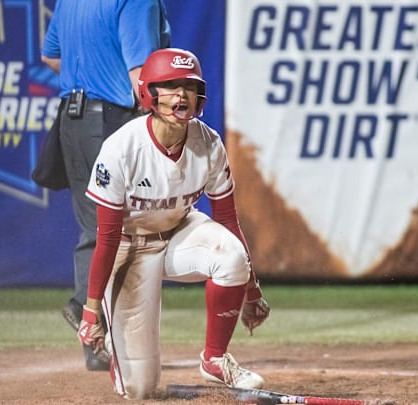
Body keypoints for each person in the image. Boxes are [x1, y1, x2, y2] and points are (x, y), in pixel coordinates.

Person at [76, 48, 271, 399]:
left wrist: (251, 290)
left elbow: (227, 220)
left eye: (188, 86)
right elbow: (105, 237)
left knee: (230, 255)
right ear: (147, 93)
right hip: (129, 247)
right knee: (139, 388)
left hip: (181, 233)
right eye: (169, 86)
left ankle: (214, 359)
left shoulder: (209, 142)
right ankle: (121, 350)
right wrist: (91, 312)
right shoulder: (121, 149)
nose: (181, 94)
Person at [40, 0, 171, 371]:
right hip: (112, 119)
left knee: (92, 229)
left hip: (72, 118)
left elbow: (51, 57)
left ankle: (96, 346)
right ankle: (90, 309)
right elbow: (140, 73)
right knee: (123, 228)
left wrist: (93, 71)